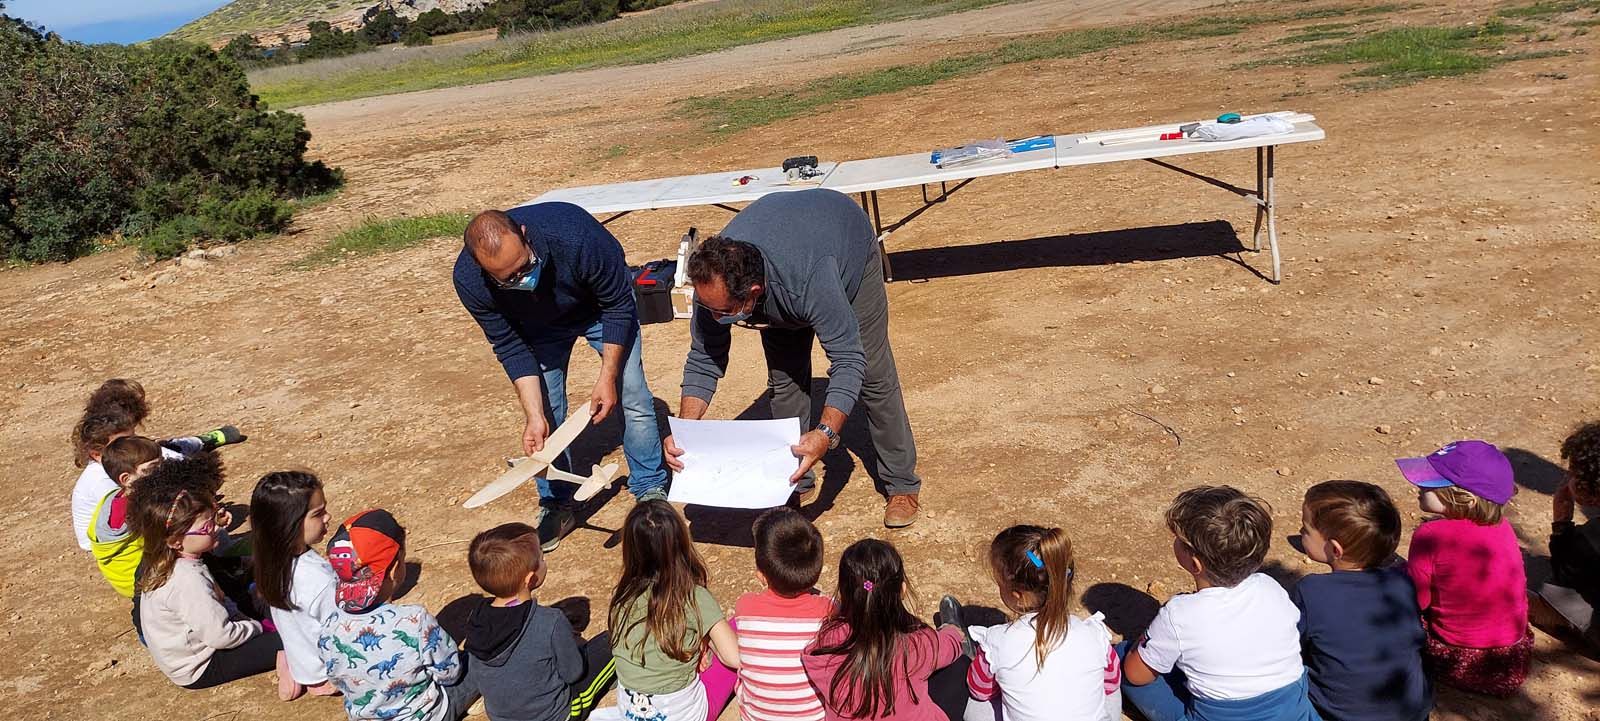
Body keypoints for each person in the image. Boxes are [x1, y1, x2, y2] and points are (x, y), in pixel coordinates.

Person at [670, 188, 925, 528]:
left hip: (844, 239)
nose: (715, 319)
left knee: (874, 373)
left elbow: (849, 359)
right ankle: (794, 482)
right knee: (785, 383)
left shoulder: (808, 280)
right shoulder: (713, 287)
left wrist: (824, 434)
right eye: (709, 309)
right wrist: (687, 432)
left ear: (753, 294)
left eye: (724, 312)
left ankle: (901, 483)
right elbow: (704, 357)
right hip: (787, 252)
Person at [454, 207, 669, 552]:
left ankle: (649, 489)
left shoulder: (577, 237)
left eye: (524, 266)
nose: (520, 280)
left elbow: (617, 305)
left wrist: (607, 377)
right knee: (547, 413)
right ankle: (557, 503)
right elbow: (509, 344)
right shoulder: (469, 280)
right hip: (537, 330)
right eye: (507, 279)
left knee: (632, 394)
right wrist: (533, 415)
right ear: (482, 269)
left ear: (525, 234)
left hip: (600, 308)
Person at [1119, 486, 1316, 721]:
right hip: (1292, 711)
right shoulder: (1270, 587)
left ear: (1195, 563)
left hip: (1221, 716)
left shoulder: (1179, 614)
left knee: (1121, 658)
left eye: (1179, 540)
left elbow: (1136, 675)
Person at [131, 453, 286, 690]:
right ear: (175, 538)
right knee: (293, 638)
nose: (215, 527)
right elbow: (220, 635)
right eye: (207, 524)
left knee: (271, 603)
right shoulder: (186, 580)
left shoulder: (169, 557)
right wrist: (256, 627)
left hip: (203, 635)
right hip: (201, 663)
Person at [316, 509, 478, 721]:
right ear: (394, 569)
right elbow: (450, 673)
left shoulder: (328, 629)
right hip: (428, 715)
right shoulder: (414, 620)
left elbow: (337, 678)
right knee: (476, 660)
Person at [1397, 441, 1531, 696]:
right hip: (1512, 656)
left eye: (1430, 484)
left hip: (1459, 657)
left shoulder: (1430, 534)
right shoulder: (1503, 527)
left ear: (1466, 499)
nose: (1419, 486)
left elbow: (1417, 601)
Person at [1292, 481, 1431, 721]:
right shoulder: (1401, 582)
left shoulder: (1312, 590)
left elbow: (1294, 645)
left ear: (1335, 549)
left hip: (1343, 714)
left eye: (1306, 529)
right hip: (1413, 712)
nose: (1301, 532)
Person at [956, 525, 1120, 721]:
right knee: (1109, 692)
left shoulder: (997, 641)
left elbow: (979, 690)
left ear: (1018, 596)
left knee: (974, 704)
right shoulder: (1093, 634)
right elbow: (1111, 683)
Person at [462, 522, 616, 721]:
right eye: (542, 559)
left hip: (501, 716)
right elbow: (573, 673)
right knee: (613, 640)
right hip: (558, 714)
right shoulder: (549, 621)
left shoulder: (477, 619)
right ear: (530, 578)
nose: (544, 562)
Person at [69, 378, 245, 551]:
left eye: (134, 436)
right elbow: (140, 521)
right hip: (122, 542)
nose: (133, 442)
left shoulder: (122, 461)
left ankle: (201, 441)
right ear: (97, 454)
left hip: (138, 526)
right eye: (124, 441)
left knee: (166, 449)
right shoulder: (102, 482)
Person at [802, 538, 968, 721]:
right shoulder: (916, 643)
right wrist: (952, 630)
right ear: (902, 590)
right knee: (959, 666)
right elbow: (948, 645)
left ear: (843, 593)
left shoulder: (829, 642)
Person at [604, 500, 741, 721]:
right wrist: (707, 642)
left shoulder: (622, 597)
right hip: (688, 715)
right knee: (738, 626)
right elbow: (735, 658)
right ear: (681, 542)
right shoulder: (694, 596)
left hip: (630, 712)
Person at [733, 507, 832, 721]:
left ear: (760, 575)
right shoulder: (830, 611)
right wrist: (870, 586)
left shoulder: (745, 607)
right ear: (815, 573)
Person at [251, 471, 342, 701]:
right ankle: (319, 682)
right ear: (289, 524)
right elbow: (340, 630)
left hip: (302, 660)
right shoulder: (317, 580)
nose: (328, 517)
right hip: (326, 670)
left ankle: (293, 668)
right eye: (318, 513)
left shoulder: (272, 561)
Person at [1535, 421, 1600, 646]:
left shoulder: (1592, 536)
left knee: (1553, 591)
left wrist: (1561, 523)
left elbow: (1564, 574)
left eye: (1573, 473)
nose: (1567, 478)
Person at [88, 435, 165, 599]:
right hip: (145, 582)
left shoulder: (110, 500)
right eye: (153, 468)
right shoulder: (141, 509)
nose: (163, 471)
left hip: (124, 581)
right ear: (126, 479)